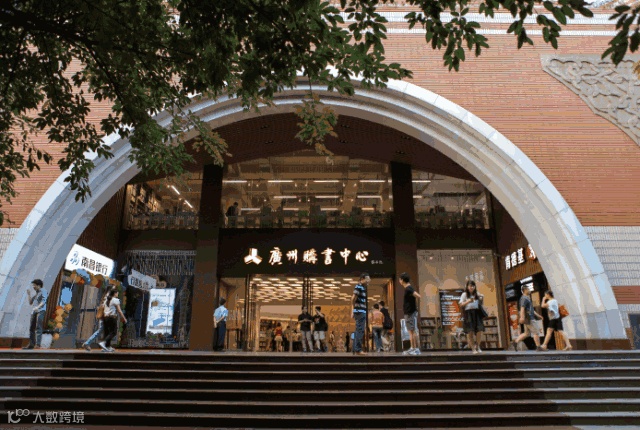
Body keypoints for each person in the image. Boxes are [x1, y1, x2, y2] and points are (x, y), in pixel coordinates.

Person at [512, 285, 543, 351]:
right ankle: (538, 347)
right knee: (536, 332)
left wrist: (538, 315)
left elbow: (531, 309)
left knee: (526, 333)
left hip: (528, 318)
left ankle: (515, 342)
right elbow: (522, 308)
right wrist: (522, 317)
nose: (529, 290)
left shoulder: (527, 298)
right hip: (529, 318)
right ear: (525, 290)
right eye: (528, 289)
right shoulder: (524, 298)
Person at [82, 287, 114, 352]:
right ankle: (88, 343)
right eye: (113, 288)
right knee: (103, 331)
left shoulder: (105, 296)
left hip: (104, 317)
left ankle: (105, 346)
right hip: (104, 317)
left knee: (105, 331)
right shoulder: (108, 297)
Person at [459, 280, 484, 354]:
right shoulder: (464, 294)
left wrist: (482, 298)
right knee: (470, 332)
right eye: (470, 286)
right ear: (467, 287)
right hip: (468, 313)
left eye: (473, 286)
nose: (471, 287)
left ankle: (478, 346)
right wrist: (468, 301)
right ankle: (473, 349)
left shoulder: (477, 293)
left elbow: (481, 304)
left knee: (479, 330)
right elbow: (461, 304)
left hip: (476, 313)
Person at [99, 288, 127, 352]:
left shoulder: (107, 300)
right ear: (114, 293)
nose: (117, 294)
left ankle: (107, 347)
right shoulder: (115, 300)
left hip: (105, 318)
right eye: (117, 293)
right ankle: (104, 343)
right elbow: (119, 310)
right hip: (112, 317)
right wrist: (124, 318)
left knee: (107, 332)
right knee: (113, 332)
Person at [400, 272, 421, 355]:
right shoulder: (409, 288)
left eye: (400, 279)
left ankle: (414, 348)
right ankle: (414, 348)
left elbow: (418, 296)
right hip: (410, 312)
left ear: (402, 280)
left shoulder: (408, 288)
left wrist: (414, 308)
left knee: (411, 331)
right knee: (412, 331)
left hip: (410, 313)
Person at [24, 279, 47, 349]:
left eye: (34, 285)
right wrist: (29, 295)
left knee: (38, 327)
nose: (33, 287)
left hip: (41, 311)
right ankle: (31, 344)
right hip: (34, 311)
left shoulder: (43, 291)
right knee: (31, 328)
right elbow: (30, 302)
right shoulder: (36, 294)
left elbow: (44, 301)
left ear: (39, 285)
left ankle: (38, 344)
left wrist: (38, 307)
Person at [351, 273, 369, 355]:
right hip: (359, 311)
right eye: (367, 279)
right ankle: (358, 349)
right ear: (362, 279)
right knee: (360, 330)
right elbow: (353, 298)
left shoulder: (362, 287)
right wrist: (353, 310)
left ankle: (355, 349)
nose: (368, 281)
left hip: (361, 311)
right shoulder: (358, 286)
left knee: (358, 330)